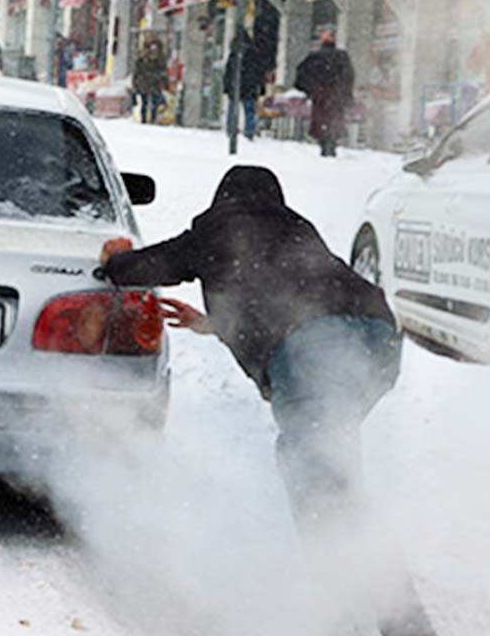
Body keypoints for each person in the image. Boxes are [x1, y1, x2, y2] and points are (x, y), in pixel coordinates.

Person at [98, 166, 437, 636]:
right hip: (378, 340)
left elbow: (146, 268)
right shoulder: (296, 227)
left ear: (223, 199)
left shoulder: (219, 226)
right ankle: (370, 612)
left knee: (324, 488)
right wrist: (215, 323)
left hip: (317, 350)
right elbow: (290, 295)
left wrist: (116, 261)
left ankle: (384, 622)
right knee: (333, 474)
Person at [295, 30, 354, 157]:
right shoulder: (341, 56)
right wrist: (346, 94)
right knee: (334, 118)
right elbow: (348, 76)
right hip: (335, 94)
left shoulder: (314, 56)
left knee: (320, 118)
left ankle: (324, 142)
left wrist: (309, 89)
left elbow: (301, 72)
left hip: (320, 94)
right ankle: (331, 142)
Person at [224, 26, 276, 141]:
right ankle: (249, 131)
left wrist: (227, 87)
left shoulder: (234, 54)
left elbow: (228, 72)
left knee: (232, 109)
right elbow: (259, 72)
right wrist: (261, 88)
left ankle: (231, 129)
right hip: (249, 87)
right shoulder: (254, 53)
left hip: (235, 86)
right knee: (249, 110)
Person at [133, 38, 168, 125]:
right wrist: (136, 83)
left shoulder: (160, 58)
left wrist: (163, 81)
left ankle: (152, 118)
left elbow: (163, 70)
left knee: (154, 102)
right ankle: (144, 119)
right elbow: (137, 71)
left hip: (155, 84)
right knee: (144, 102)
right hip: (145, 83)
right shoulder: (143, 58)